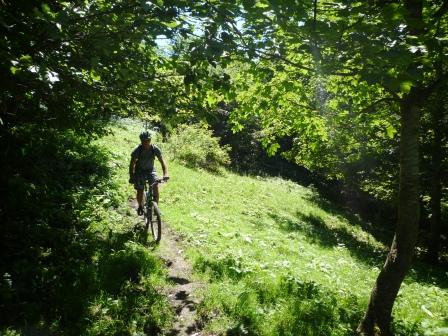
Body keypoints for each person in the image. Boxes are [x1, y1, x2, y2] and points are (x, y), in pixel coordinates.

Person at [129, 130, 169, 215]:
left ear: (150, 140)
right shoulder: (137, 149)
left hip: (150, 170)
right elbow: (132, 164)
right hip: (139, 171)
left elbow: (162, 162)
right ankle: (140, 205)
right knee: (140, 189)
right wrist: (132, 176)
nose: (145, 143)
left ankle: (156, 207)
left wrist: (165, 174)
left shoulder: (154, 149)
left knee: (155, 186)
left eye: (147, 140)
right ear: (141, 141)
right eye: (143, 141)